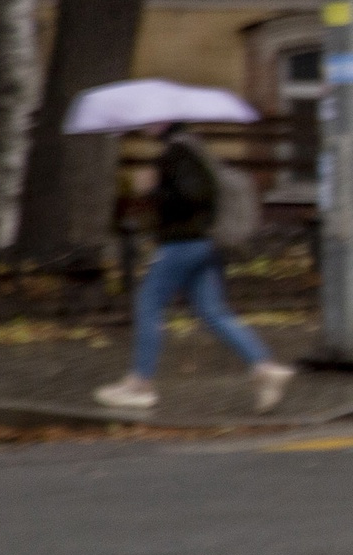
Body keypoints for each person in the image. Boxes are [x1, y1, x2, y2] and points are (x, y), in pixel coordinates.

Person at [95, 124, 293, 414]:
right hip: (203, 243)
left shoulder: (178, 152)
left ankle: (140, 385)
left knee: (148, 303)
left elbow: (191, 198)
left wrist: (151, 190)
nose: (146, 125)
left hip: (183, 243)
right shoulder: (190, 148)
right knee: (213, 312)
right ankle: (264, 368)